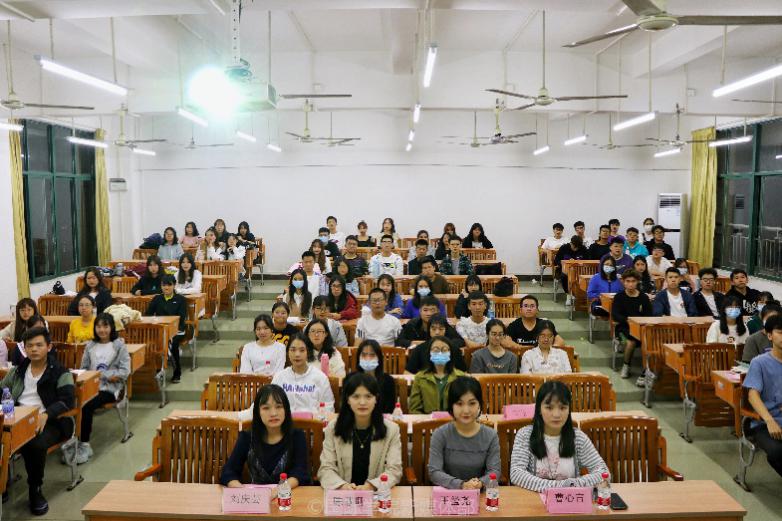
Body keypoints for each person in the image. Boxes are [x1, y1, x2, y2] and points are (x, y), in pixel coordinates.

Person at [0, 327, 75, 515]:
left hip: (51, 421)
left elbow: (68, 401)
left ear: (49, 347)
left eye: (39, 345)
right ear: (24, 348)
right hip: (18, 419)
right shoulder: (17, 371)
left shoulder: (60, 372)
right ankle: (2, 484)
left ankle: (35, 489)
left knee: (33, 443)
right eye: (30, 345)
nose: (34, 349)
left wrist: (47, 414)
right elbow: (2, 390)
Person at [509, 381, 609, 492]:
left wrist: (573, 485)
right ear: (539, 409)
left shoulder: (578, 438)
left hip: (570, 500)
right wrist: (560, 487)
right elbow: (516, 473)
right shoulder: (525, 435)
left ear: (569, 410)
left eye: (562, 408)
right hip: (534, 500)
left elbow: (603, 472)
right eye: (549, 407)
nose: (556, 414)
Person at [318, 373, 402, 490]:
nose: (362, 402)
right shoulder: (333, 428)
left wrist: (371, 486)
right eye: (356, 396)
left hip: (376, 495)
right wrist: (342, 486)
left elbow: (394, 470)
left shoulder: (391, 430)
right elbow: (326, 469)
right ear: (348, 399)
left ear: (376, 399)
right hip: (344, 495)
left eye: (368, 396)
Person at [221, 384, 309, 490]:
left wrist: (279, 490)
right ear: (258, 412)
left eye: (279, 407)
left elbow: (300, 472)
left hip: (288, 495)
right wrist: (241, 490)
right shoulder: (247, 437)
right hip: (255, 497)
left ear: (286, 409)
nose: (273, 413)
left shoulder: (297, 436)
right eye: (266, 408)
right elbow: (228, 472)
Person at [428, 376, 501, 489]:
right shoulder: (440, 434)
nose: (466, 410)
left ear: (479, 404)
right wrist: (462, 485)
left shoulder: (491, 436)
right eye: (459, 403)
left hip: (479, 493)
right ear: (451, 406)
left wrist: (480, 483)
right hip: (448, 493)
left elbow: (495, 471)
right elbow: (434, 472)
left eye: (472, 403)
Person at [77, 314, 130, 463]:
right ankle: (72, 442)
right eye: (98, 326)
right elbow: (84, 368)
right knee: (71, 401)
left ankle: (84, 444)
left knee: (86, 405)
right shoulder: (90, 345)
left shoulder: (119, 346)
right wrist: (94, 376)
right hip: (90, 386)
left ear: (111, 327)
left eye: (105, 326)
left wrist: (101, 375)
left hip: (110, 389)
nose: (102, 330)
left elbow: (124, 372)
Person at [742, 315, 782, 478]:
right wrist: (769, 420)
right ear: (770, 335)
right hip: (765, 423)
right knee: (777, 452)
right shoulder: (759, 363)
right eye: (780, 332)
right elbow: (753, 395)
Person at [271, 334, 335, 414]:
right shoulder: (279, 377)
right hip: (286, 421)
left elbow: (328, 406)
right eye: (293, 350)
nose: (297, 354)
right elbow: (272, 403)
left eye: (302, 350)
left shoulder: (320, 377)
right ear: (288, 352)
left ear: (308, 352)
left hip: (313, 421)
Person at [611, 270, 653, 382]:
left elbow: (649, 315)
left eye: (633, 281)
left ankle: (647, 369)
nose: (630, 284)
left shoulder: (643, 297)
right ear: (623, 282)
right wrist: (629, 321)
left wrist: (639, 323)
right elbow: (615, 315)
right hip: (623, 328)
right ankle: (626, 365)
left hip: (641, 328)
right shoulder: (619, 297)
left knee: (649, 341)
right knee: (631, 342)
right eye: (628, 281)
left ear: (637, 282)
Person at [145, 274, 187, 383]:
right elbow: (148, 315)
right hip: (160, 330)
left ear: (174, 285)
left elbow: (182, 319)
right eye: (164, 285)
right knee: (156, 341)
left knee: (172, 343)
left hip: (177, 330)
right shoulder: (157, 298)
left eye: (169, 285)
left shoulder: (181, 299)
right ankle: (158, 369)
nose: (166, 288)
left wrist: (171, 330)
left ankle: (176, 372)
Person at [409, 336, 468, 414]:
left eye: (444, 350)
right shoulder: (420, 377)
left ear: (450, 353)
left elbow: (464, 406)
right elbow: (414, 409)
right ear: (429, 353)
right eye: (436, 350)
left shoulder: (460, 377)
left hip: (454, 419)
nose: (440, 353)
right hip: (427, 420)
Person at [403, 315, 467, 373]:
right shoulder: (419, 349)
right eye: (433, 329)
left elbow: (464, 372)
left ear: (446, 330)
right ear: (429, 330)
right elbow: (407, 372)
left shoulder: (454, 349)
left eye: (441, 329)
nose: (437, 332)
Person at [347, 340, 396, 414]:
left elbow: (389, 410)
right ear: (358, 358)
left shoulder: (388, 381)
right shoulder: (350, 379)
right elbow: (346, 408)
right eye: (364, 355)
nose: (368, 358)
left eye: (372, 355)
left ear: (379, 358)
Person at [554, 235, 588, 303]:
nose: (575, 249)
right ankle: (568, 294)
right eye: (574, 247)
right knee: (564, 276)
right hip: (563, 270)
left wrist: (577, 262)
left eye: (577, 247)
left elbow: (587, 260)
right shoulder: (564, 248)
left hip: (579, 270)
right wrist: (565, 263)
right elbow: (556, 260)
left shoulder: (583, 248)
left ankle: (579, 295)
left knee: (584, 277)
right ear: (571, 243)